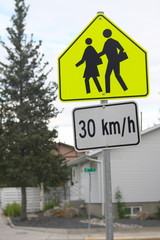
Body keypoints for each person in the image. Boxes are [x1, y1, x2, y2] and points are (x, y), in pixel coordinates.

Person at [99, 29, 128, 93]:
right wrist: (118, 57)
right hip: (116, 61)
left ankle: (108, 91)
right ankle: (125, 88)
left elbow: (103, 52)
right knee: (117, 75)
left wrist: (96, 56)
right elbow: (121, 49)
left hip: (112, 61)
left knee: (107, 75)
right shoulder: (114, 41)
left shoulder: (107, 43)